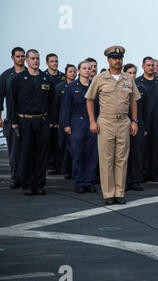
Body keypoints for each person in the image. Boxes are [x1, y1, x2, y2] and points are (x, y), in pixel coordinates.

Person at [85, 45, 140, 205]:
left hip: (123, 121)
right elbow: (89, 99)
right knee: (106, 159)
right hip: (106, 122)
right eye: (115, 58)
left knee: (121, 159)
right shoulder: (100, 78)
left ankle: (119, 192)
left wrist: (134, 121)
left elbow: (134, 100)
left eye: (120, 58)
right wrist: (92, 121)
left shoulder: (128, 78)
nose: (118, 61)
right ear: (108, 60)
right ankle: (109, 194)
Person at [9, 49, 54, 195]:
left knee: (41, 154)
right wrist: (14, 121)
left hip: (42, 121)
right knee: (26, 154)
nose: (36, 61)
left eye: (37, 58)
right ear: (26, 60)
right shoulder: (18, 79)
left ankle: (39, 184)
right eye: (33, 58)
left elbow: (52, 102)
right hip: (25, 121)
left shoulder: (47, 79)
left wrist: (52, 121)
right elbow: (11, 102)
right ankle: (27, 184)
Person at [63, 61, 98, 193]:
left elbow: (98, 106)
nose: (87, 71)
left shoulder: (94, 86)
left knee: (91, 153)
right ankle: (79, 182)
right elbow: (66, 107)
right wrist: (66, 124)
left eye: (89, 69)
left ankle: (89, 181)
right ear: (78, 71)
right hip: (77, 122)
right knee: (78, 153)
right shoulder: (71, 87)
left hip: (92, 122)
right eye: (84, 68)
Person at [0, 47, 26, 189]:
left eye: (22, 56)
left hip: (29, 119)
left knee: (29, 150)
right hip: (12, 119)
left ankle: (27, 177)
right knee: (14, 151)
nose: (20, 58)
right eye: (18, 56)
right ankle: (15, 177)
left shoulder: (31, 74)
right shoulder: (6, 76)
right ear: (12, 58)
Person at [136, 57, 158, 183]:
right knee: (143, 146)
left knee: (156, 146)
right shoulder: (137, 82)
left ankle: (154, 173)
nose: (151, 67)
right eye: (148, 65)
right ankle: (143, 172)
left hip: (157, 117)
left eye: (153, 65)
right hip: (143, 118)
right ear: (143, 66)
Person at [125, 63, 148, 191]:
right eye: (129, 73)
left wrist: (144, 128)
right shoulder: (121, 87)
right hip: (123, 124)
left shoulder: (142, 88)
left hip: (138, 124)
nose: (132, 75)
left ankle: (136, 180)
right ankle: (125, 180)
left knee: (137, 153)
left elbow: (145, 110)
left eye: (134, 73)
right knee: (124, 154)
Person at [44, 53, 66, 175]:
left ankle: (60, 165)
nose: (55, 63)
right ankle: (50, 165)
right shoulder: (43, 76)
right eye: (52, 61)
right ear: (47, 63)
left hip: (59, 112)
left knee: (60, 141)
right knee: (49, 142)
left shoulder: (63, 77)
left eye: (56, 61)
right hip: (47, 112)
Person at [54, 64, 77, 180]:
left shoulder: (78, 86)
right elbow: (55, 106)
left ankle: (73, 169)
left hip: (75, 121)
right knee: (63, 146)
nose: (72, 73)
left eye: (74, 71)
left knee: (74, 146)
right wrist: (55, 121)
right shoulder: (59, 87)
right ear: (66, 73)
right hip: (62, 120)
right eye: (70, 71)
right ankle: (65, 169)